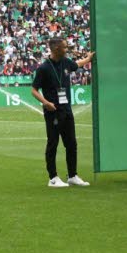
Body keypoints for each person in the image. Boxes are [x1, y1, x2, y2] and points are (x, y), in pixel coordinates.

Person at [30, 38, 94, 188]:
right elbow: (33, 90)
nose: (67, 49)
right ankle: (53, 178)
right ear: (56, 48)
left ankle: (72, 175)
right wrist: (45, 103)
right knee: (53, 144)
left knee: (71, 143)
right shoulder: (44, 68)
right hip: (52, 112)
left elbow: (77, 65)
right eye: (65, 47)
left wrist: (88, 59)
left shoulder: (66, 62)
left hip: (67, 110)